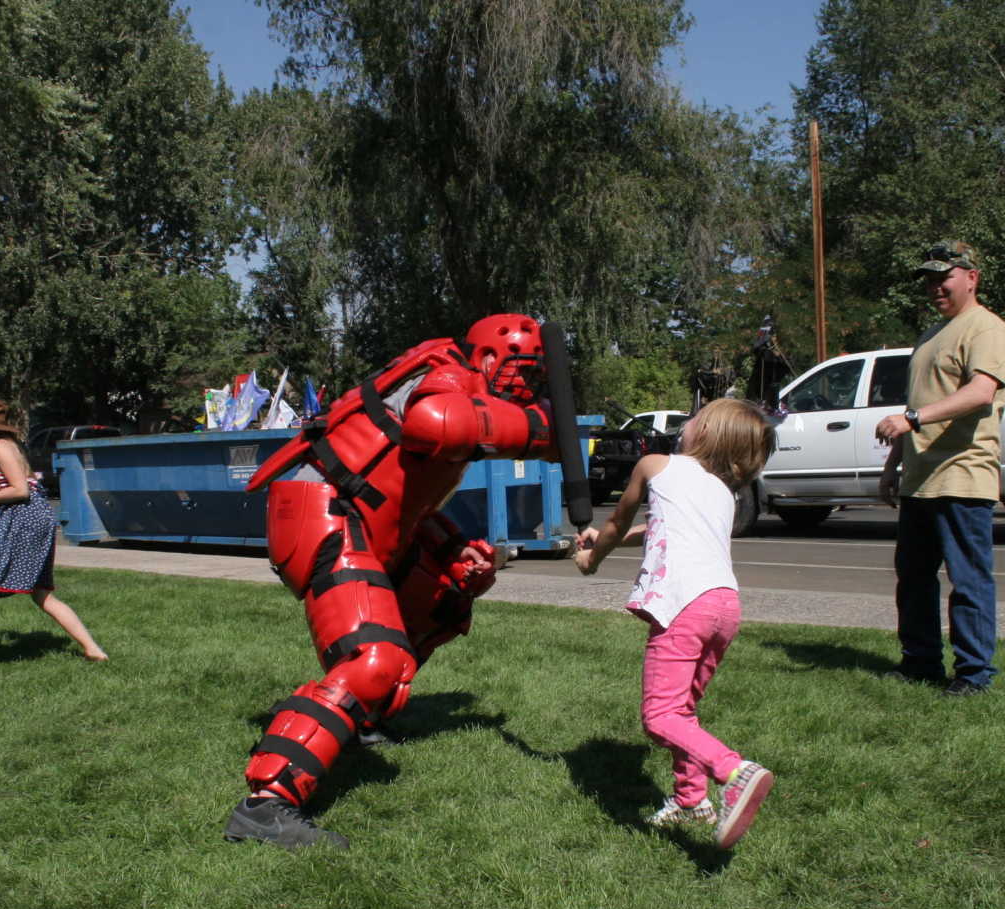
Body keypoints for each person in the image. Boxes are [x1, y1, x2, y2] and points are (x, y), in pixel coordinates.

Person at [223, 314, 565, 849]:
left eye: (536, 376)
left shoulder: (465, 386)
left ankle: (359, 716)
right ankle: (265, 804)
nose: (526, 385)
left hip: (368, 517)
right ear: (489, 357)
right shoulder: (449, 376)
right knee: (375, 658)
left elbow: (405, 492)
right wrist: (539, 430)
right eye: (523, 371)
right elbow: (434, 422)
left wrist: (450, 547)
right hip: (328, 514)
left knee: (446, 596)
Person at [574, 399, 777, 850]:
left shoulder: (654, 464)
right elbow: (656, 529)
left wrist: (592, 557)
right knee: (682, 710)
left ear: (706, 432)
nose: (686, 423)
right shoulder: (722, 492)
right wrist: (605, 539)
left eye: (694, 419)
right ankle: (690, 799)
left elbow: (618, 521)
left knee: (660, 716)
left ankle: (734, 771)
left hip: (684, 604)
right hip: (724, 606)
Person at [875, 240, 1005, 697]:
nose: (936, 287)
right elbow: (917, 403)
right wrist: (894, 464)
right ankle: (920, 663)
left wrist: (912, 420)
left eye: (944, 278)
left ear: (971, 278)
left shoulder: (986, 328)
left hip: (963, 473)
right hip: (920, 478)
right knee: (913, 578)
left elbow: (980, 392)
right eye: (930, 280)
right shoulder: (933, 333)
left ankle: (974, 674)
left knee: (968, 580)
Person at [0, 395, 107, 678]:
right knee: (39, 593)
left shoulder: (2, 446)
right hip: (17, 516)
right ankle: (93, 649)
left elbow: (20, 490)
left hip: (23, 516)